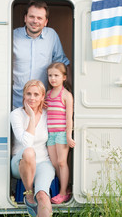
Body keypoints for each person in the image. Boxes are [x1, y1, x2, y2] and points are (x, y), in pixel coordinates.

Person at [13, 0, 70, 108]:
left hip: (42, 103)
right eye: (31, 17)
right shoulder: (13, 35)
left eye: (39, 18)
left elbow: (62, 63)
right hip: (16, 102)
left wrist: (65, 92)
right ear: (25, 18)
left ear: (46, 21)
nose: (35, 21)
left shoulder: (51, 35)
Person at [10, 80, 54, 217]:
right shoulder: (16, 114)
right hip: (20, 163)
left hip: (42, 162)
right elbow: (27, 143)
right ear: (23, 95)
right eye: (28, 94)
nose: (32, 98)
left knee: (42, 195)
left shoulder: (48, 114)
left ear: (42, 97)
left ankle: (36, 198)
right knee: (29, 152)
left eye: (36, 94)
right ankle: (29, 196)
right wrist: (32, 118)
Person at [45, 62, 75, 204]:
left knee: (62, 162)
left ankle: (63, 193)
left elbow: (69, 118)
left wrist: (69, 136)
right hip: (50, 134)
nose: (53, 78)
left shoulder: (66, 95)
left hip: (62, 134)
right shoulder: (48, 94)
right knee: (55, 163)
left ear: (64, 77)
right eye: (50, 75)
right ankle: (66, 187)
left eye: (56, 75)